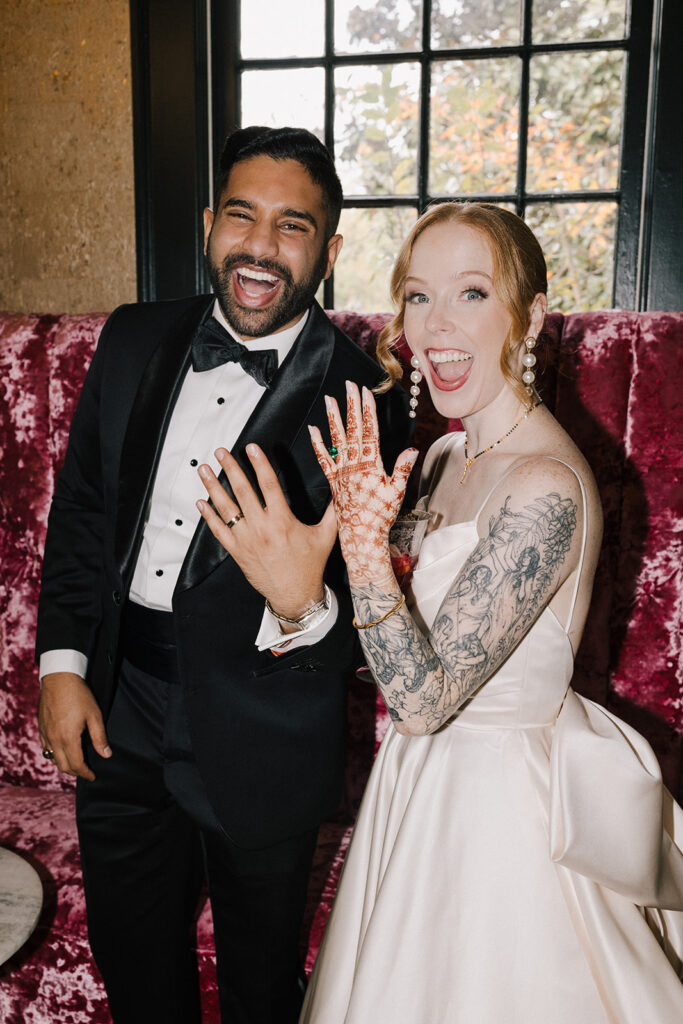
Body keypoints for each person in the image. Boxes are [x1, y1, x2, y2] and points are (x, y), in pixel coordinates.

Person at [35, 125, 411, 1024]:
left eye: (293, 226)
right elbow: (84, 509)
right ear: (209, 224)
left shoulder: (367, 400)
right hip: (118, 705)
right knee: (138, 974)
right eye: (242, 216)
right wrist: (62, 667)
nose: (261, 247)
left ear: (328, 249)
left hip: (265, 730)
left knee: (258, 988)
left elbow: (372, 608)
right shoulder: (129, 340)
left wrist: (301, 601)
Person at [300, 201, 683, 1022]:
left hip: (497, 813)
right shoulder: (445, 453)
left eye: (471, 293)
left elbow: (424, 701)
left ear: (530, 316)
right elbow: (398, 638)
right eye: (416, 295)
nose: (435, 325)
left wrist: (364, 549)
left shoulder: (542, 483)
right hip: (418, 788)